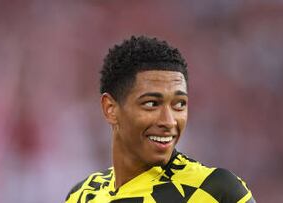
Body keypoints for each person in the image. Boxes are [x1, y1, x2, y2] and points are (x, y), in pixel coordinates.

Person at [65, 35, 255, 203]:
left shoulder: (216, 190)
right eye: (151, 104)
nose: (169, 121)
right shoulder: (82, 195)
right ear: (110, 109)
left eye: (179, 104)